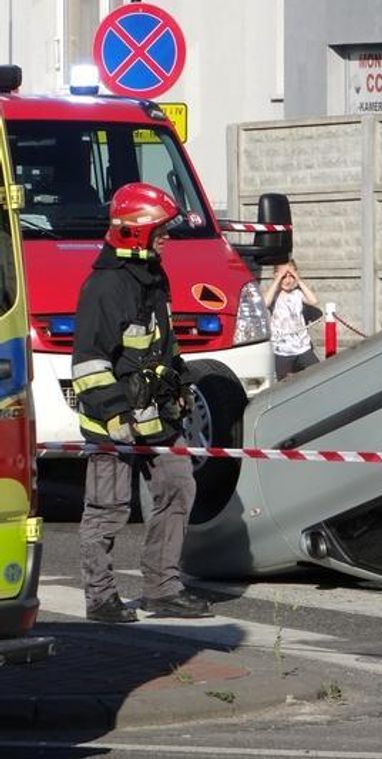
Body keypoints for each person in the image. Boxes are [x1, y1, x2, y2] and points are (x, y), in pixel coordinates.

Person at [72, 182, 212, 622]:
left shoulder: (151, 276)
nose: (167, 238)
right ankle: (99, 598)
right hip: (112, 421)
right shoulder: (106, 287)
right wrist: (113, 413)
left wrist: (181, 388)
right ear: (137, 233)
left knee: (177, 488)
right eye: (161, 230)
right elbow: (89, 361)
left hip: (157, 419)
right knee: (108, 509)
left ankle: (162, 588)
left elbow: (161, 346)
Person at [263, 259, 321, 380]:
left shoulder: (297, 294)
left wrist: (298, 279)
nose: (288, 280)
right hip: (282, 351)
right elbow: (265, 303)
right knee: (282, 383)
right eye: (284, 276)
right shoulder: (275, 295)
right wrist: (278, 279)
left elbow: (314, 301)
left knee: (318, 374)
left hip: (302, 348)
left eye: (290, 276)